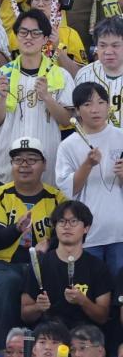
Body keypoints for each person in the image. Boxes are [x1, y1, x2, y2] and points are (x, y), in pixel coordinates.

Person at [0, 136, 66, 351]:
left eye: (32, 159)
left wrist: (50, 241)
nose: (24, 165)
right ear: (11, 165)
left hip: (43, 264)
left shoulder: (57, 198)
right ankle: (5, 350)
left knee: (55, 287)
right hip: (3, 263)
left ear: (44, 164)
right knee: (7, 283)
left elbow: (69, 233)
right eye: (18, 160)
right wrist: (16, 229)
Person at [0, 9, 74, 185]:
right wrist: (2, 98)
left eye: (36, 33)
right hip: (6, 162)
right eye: (23, 32)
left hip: (47, 162)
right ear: (16, 36)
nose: (29, 37)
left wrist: (48, 98)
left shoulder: (60, 75)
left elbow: (67, 120)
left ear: (45, 39)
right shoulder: (2, 74)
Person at [56, 82, 123, 274]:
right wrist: (87, 165)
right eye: (87, 104)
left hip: (120, 233)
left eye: (101, 102)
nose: (95, 109)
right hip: (87, 234)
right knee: (90, 293)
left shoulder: (120, 137)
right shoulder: (68, 146)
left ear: (109, 106)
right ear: (76, 110)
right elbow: (70, 190)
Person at [21, 200, 112, 329]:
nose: (67, 226)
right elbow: (25, 314)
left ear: (86, 228)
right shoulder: (40, 264)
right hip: (50, 333)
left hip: (84, 335)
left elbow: (103, 317)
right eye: (61, 221)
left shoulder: (97, 267)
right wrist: (38, 308)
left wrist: (83, 301)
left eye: (73, 221)